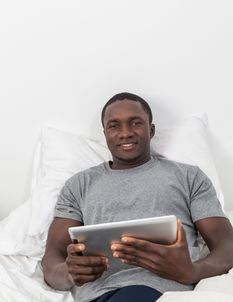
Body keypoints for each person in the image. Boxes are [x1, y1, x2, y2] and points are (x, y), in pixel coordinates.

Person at [41, 92, 233, 302]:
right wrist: (69, 272)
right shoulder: (78, 185)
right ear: (105, 133)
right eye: (114, 125)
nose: (125, 133)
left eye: (135, 123)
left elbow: (227, 245)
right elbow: (52, 258)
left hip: (158, 292)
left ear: (151, 130)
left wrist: (192, 271)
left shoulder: (188, 176)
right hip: (98, 295)